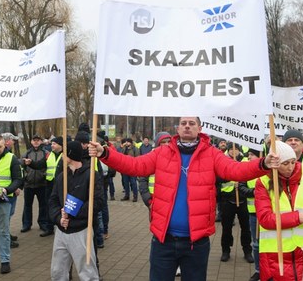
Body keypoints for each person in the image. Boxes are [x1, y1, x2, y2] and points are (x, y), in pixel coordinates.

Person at [88, 117, 280, 281]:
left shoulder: (212, 154)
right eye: (183, 123)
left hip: (196, 243)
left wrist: (262, 163)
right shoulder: (162, 152)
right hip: (163, 240)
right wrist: (105, 153)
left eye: (191, 123)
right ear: (177, 129)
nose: (187, 126)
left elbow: (235, 170)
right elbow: (134, 165)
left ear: (199, 128)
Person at [256, 141, 303, 281]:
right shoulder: (263, 182)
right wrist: (299, 217)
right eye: (285, 164)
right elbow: (265, 219)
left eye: (293, 162)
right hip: (275, 255)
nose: (290, 167)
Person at [48, 141, 103, 281]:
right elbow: (53, 201)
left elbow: (97, 203)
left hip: (81, 231)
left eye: (64, 154)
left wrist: (72, 212)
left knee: (87, 273)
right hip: (61, 230)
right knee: (57, 272)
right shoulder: (61, 177)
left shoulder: (91, 175)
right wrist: (58, 218)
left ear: (70, 155)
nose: (61, 156)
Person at [0, 134, 23, 274]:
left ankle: (5, 261)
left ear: (4, 145)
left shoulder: (11, 158)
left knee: (4, 232)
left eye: (0, 146)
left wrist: (7, 190)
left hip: (3, 201)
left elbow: (18, 179)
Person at [217, 143, 253, 263]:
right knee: (226, 228)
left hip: (243, 200)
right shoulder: (223, 161)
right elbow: (218, 178)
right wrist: (231, 175)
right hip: (227, 200)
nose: (234, 152)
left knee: (246, 228)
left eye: (236, 149)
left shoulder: (245, 161)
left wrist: (241, 180)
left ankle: (247, 251)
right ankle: (225, 251)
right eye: (231, 149)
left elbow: (250, 175)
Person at [237, 148, 261, 281]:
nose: (249, 157)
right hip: (253, 213)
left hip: (268, 213)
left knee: (269, 244)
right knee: (256, 244)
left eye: (252, 155)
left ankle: (269, 270)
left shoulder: (269, 170)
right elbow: (241, 187)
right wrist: (254, 192)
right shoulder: (247, 169)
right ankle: (258, 270)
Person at [21, 134, 51, 236]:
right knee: (27, 205)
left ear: (41, 141)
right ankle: (26, 224)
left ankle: (43, 223)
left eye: (38, 140)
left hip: (42, 184)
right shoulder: (27, 153)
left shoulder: (46, 153)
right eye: (34, 140)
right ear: (31, 142)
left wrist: (44, 175)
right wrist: (26, 175)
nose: (36, 142)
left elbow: (49, 166)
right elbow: (21, 165)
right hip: (28, 184)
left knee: (43, 205)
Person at [45, 136, 64, 236]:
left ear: (60, 145)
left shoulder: (65, 155)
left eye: (54, 143)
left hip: (60, 185)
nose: (52, 145)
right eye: (51, 143)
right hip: (50, 184)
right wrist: (31, 164)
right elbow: (42, 165)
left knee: (60, 206)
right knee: (49, 205)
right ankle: (49, 227)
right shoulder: (49, 155)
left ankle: (60, 226)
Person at [117, 138, 139, 202]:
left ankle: (135, 196)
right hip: (125, 168)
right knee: (126, 183)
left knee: (133, 183)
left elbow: (137, 158)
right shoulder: (124, 149)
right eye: (126, 142)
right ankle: (127, 195)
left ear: (131, 143)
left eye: (128, 142)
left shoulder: (135, 149)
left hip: (132, 168)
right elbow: (121, 156)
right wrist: (124, 148)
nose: (127, 143)